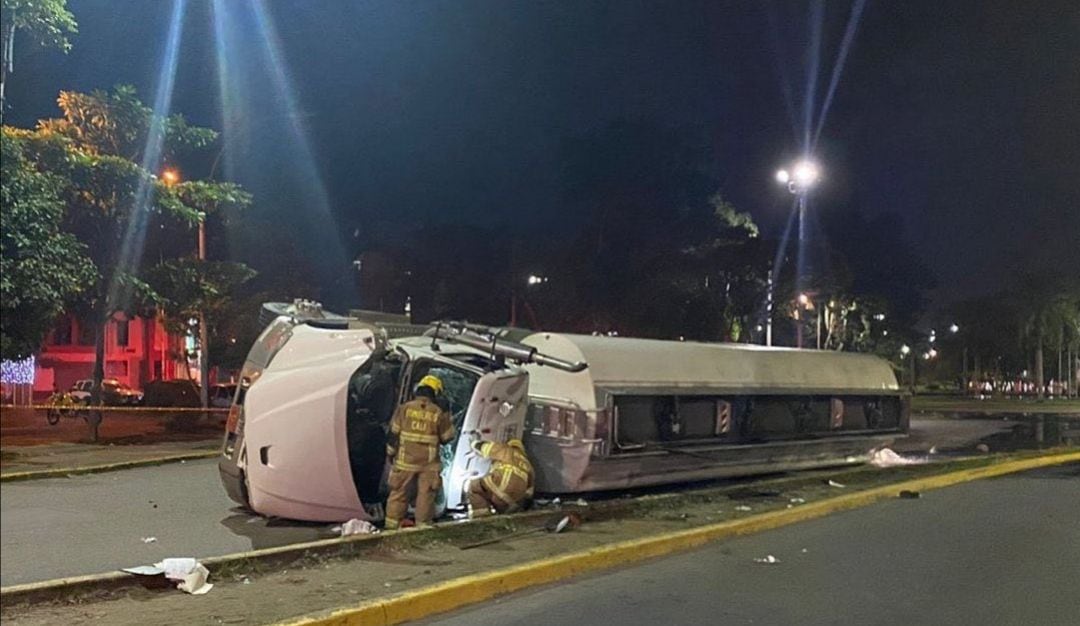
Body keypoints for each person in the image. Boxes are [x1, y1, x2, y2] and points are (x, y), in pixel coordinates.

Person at [384, 374, 455, 530]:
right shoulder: (437, 412)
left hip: (405, 461)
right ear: (435, 393)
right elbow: (447, 437)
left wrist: (390, 453)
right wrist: (447, 413)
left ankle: (391, 528)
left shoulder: (404, 409)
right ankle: (422, 529)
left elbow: (393, 434)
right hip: (428, 465)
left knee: (399, 494)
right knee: (425, 497)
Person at [466, 439, 535, 519]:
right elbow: (529, 493)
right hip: (514, 499)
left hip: (501, 485)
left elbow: (486, 447)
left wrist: (473, 443)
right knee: (501, 511)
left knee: (474, 486)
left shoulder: (508, 450)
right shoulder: (528, 464)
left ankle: (481, 518)